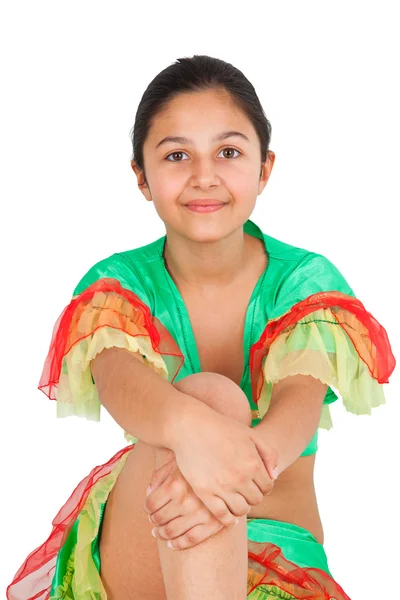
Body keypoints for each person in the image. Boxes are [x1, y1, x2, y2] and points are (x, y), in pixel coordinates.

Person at [7, 54, 396, 600]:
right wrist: (193, 434)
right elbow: (127, 389)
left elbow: (295, 413)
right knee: (205, 402)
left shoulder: (306, 282)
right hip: (144, 543)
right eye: (176, 155)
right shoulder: (115, 287)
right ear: (141, 176)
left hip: (277, 558)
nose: (204, 176)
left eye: (229, 152)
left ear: (265, 168)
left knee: (205, 430)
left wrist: (213, 472)